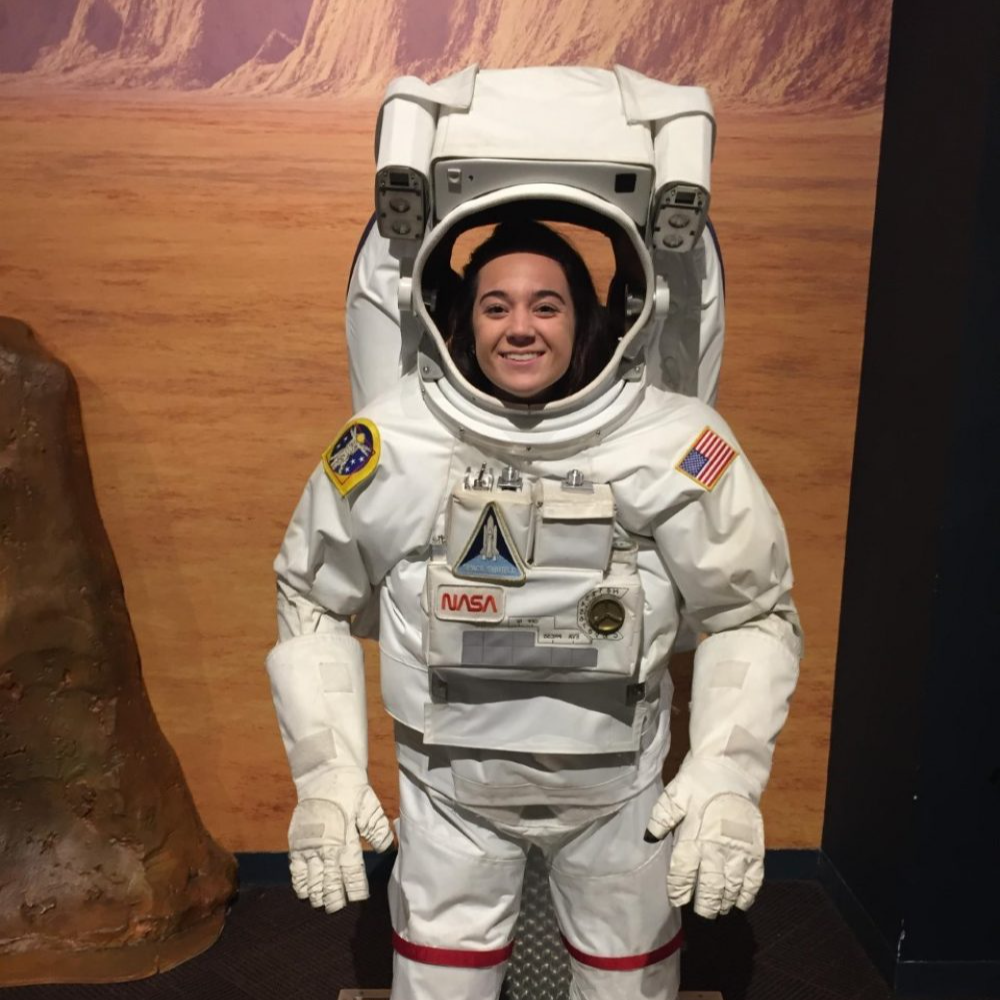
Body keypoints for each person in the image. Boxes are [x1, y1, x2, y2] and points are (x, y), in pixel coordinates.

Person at [265, 219, 801, 1000]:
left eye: (546, 306)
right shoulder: (396, 440)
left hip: (618, 787)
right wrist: (326, 775)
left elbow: (751, 611)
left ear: (587, 316)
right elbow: (313, 597)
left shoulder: (671, 442)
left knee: (629, 984)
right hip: (450, 786)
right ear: (459, 318)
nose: (520, 327)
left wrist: (726, 773)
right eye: (496, 307)